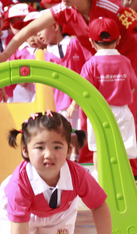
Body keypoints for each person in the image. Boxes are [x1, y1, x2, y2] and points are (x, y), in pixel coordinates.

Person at [0, 0, 137, 179]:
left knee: (123, 109)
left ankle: (128, 169)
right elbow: (29, 29)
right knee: (88, 106)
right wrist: (5, 54)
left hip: (125, 54)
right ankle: (89, 165)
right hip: (96, 57)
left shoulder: (107, 6)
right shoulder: (65, 8)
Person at [0, 111, 119, 234]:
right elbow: (19, 227)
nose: (49, 154)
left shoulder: (78, 174)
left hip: (60, 213)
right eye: (39, 147)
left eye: (57, 147)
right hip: (23, 218)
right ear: (25, 150)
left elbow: (98, 204)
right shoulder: (20, 183)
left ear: (69, 150)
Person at [75, 17, 137, 178]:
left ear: (91, 42)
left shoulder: (91, 64)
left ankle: (102, 176)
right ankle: (122, 176)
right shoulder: (125, 61)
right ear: (118, 40)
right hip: (122, 111)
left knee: (99, 148)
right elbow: (132, 85)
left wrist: (73, 106)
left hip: (99, 112)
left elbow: (83, 89)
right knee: (122, 147)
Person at [38, 17, 90, 161]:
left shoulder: (75, 43)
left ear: (55, 27)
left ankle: (80, 160)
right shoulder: (44, 55)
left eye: (40, 29)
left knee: (81, 132)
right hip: (58, 102)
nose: (38, 34)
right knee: (63, 132)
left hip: (80, 99)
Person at [9, 11, 46, 103]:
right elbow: (10, 68)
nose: (32, 38)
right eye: (28, 34)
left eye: (35, 33)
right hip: (23, 91)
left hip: (43, 90)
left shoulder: (49, 51)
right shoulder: (18, 50)